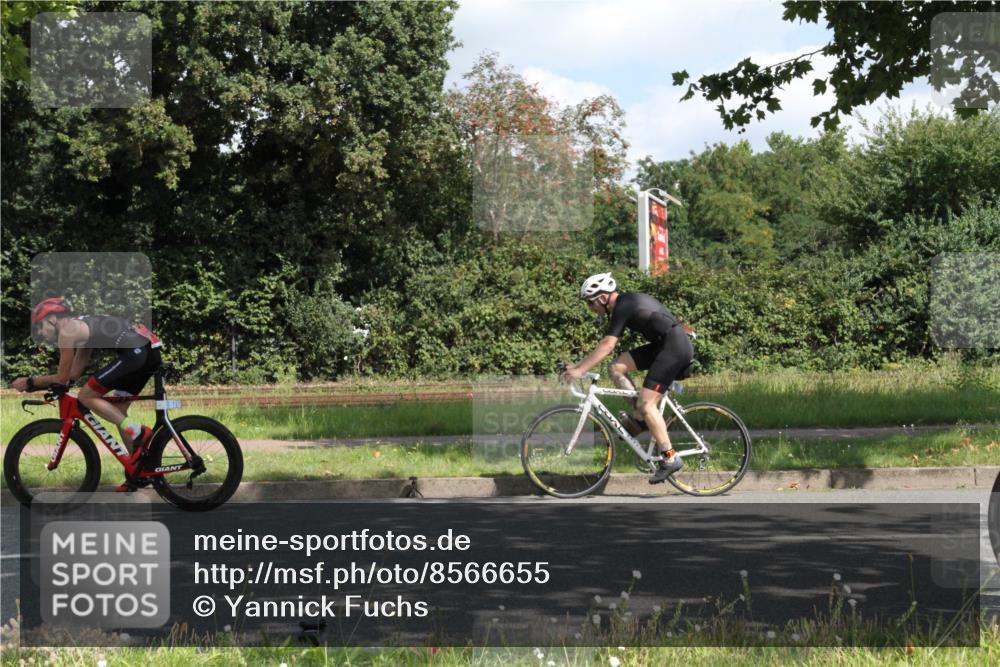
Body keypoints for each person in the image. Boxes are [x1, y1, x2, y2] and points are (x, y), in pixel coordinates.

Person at [11, 297, 163, 491]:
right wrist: (56, 383)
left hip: (136, 352)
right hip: (147, 351)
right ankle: (139, 471)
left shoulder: (67, 332)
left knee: (87, 396)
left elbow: (61, 377)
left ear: (51, 319)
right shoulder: (81, 328)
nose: (40, 333)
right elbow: (73, 374)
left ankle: (138, 432)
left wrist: (30, 382)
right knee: (116, 411)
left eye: (39, 327)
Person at [560, 273, 694, 484]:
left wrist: (579, 370)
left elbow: (607, 345)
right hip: (664, 346)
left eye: (590, 302)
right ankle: (640, 419)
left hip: (674, 348)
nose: (590, 308)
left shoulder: (623, 305)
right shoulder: (624, 303)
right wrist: (577, 367)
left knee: (648, 403)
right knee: (616, 368)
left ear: (603, 298)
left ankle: (670, 458)